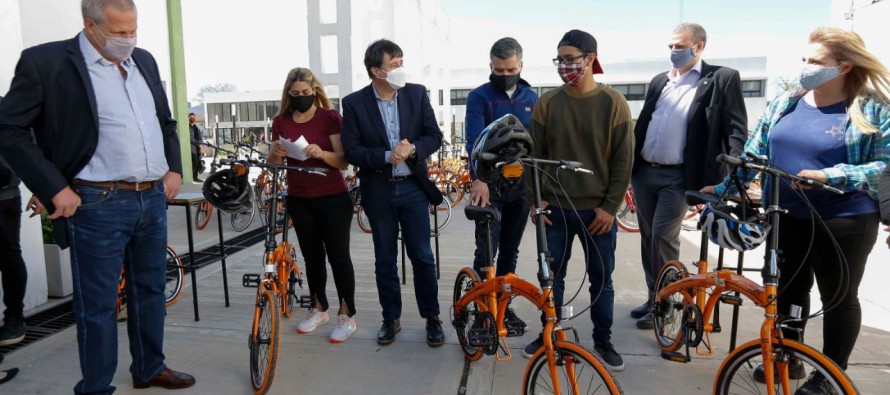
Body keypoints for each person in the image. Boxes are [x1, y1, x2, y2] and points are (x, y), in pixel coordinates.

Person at [0, 0, 195, 393]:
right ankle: (95, 387)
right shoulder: (47, 63)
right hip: (97, 202)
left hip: (151, 199)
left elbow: (165, 120)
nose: (129, 40)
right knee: (99, 305)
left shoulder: (145, 61)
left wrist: (173, 167)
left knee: (151, 290)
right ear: (90, 26)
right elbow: (9, 129)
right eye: (119, 33)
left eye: (133, 30)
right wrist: (54, 187)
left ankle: (149, 367)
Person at [702, 26, 890, 393]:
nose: (806, 67)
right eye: (804, 59)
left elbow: (884, 165)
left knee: (838, 296)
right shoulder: (787, 101)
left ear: (846, 66)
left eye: (817, 61)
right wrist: (724, 188)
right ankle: (790, 357)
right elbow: (754, 154)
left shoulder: (873, 109)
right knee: (789, 291)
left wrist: (828, 174)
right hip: (785, 214)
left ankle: (830, 375)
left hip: (845, 219)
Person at [521, 29, 634, 372]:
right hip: (555, 209)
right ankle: (549, 333)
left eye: (571, 59)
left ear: (590, 60)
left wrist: (610, 207)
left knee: (602, 277)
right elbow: (533, 158)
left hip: (597, 212)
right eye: (560, 60)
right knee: (551, 277)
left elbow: (623, 160)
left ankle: (603, 339)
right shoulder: (548, 103)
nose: (565, 66)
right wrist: (536, 203)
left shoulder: (613, 103)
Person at [629, 22, 748, 330]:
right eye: (670, 46)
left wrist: (733, 176)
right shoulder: (660, 81)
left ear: (699, 46)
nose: (673, 52)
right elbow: (646, 124)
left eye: (679, 46)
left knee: (662, 236)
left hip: (680, 176)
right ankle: (654, 295)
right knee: (647, 238)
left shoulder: (721, 79)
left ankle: (669, 303)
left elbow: (735, 129)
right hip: (645, 174)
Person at [341, 39, 445, 347]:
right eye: (394, 65)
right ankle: (391, 318)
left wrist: (413, 147)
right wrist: (387, 156)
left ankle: (432, 317)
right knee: (384, 259)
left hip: (413, 188)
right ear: (376, 71)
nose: (400, 69)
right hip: (379, 191)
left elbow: (434, 136)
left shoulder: (416, 94)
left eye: (401, 62)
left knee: (423, 257)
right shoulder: (355, 103)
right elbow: (352, 151)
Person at [267, 67, 358, 343]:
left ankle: (347, 313)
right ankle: (318, 307)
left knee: (338, 255)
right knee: (312, 257)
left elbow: (343, 161)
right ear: (288, 94)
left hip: (332, 197)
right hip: (299, 198)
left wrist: (322, 153)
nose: (301, 97)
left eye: (306, 93)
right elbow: (275, 167)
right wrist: (274, 152)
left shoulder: (329, 118)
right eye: (295, 94)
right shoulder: (280, 121)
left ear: (315, 91)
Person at [464, 37, 538, 335]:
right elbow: (473, 141)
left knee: (510, 252)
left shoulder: (531, 98)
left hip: (520, 188)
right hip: (489, 187)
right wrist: (478, 179)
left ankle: (504, 309)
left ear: (521, 65)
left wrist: (536, 192)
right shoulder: (479, 97)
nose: (505, 74)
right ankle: (483, 312)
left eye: (510, 68)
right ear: (491, 67)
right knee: (486, 252)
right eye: (498, 69)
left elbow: (536, 145)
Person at [188, 112, 204, 182]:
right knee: (195, 163)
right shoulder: (188, 127)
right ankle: (193, 177)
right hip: (193, 147)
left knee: (199, 162)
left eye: (193, 117)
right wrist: (198, 145)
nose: (192, 118)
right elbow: (191, 139)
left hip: (198, 147)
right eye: (191, 117)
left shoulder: (196, 127)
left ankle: (196, 177)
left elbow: (200, 137)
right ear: (189, 118)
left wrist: (202, 145)